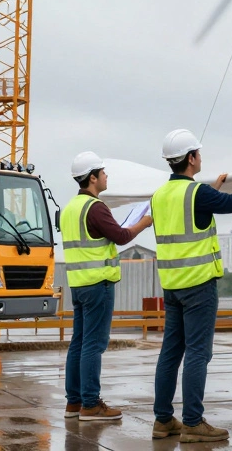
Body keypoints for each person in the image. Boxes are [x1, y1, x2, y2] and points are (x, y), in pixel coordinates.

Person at [151, 129, 232, 444]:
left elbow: (188, 214)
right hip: (199, 286)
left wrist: (213, 188)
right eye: (198, 153)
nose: (201, 157)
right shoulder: (197, 193)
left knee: (170, 353)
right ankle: (193, 423)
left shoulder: (160, 196)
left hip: (171, 287)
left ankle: (163, 421)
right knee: (198, 353)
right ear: (191, 158)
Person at [60, 151, 154, 422]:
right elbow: (122, 236)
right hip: (98, 284)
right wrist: (144, 223)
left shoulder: (70, 209)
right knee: (94, 344)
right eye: (103, 172)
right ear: (92, 178)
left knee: (78, 343)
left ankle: (73, 403)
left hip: (78, 285)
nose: (106, 176)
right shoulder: (96, 207)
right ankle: (90, 404)